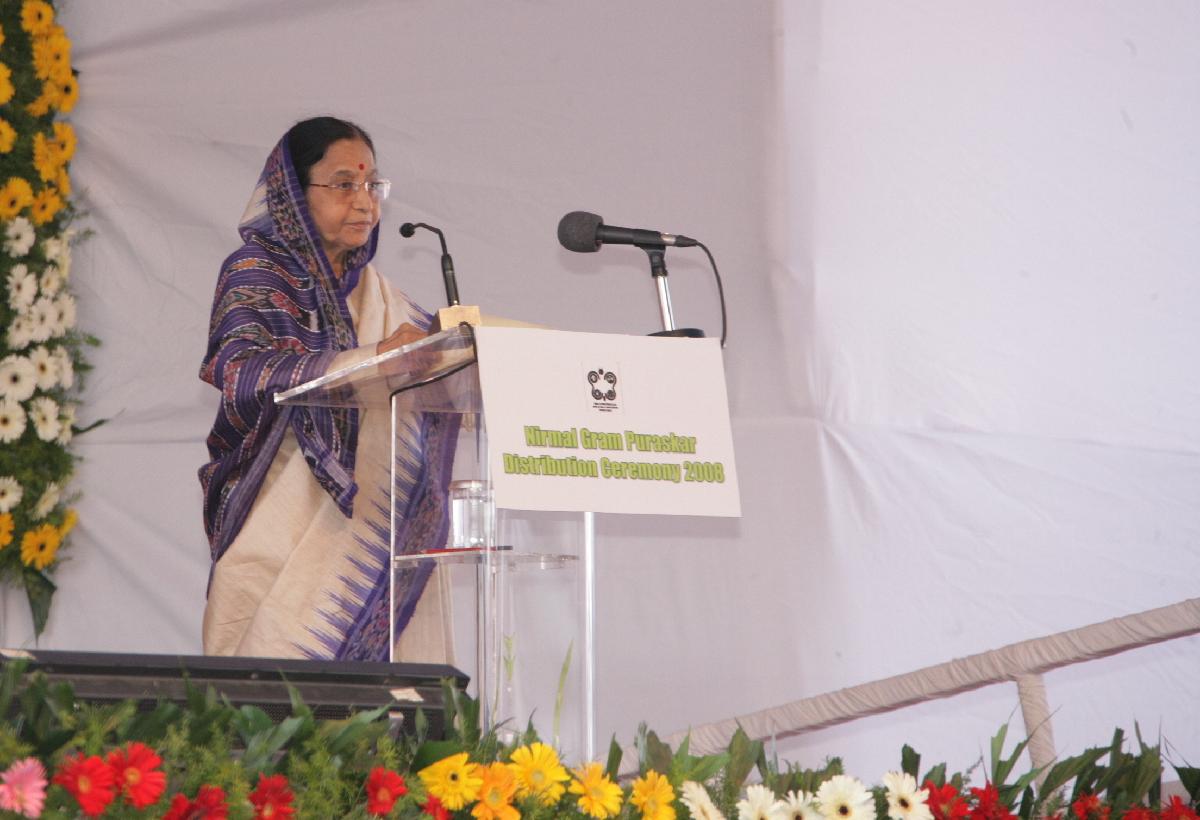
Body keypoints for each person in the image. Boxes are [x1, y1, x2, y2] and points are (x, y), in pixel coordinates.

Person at [198, 116, 457, 662]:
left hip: (369, 527)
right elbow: (239, 369)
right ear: (293, 193)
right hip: (276, 522)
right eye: (344, 184)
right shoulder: (255, 270)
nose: (365, 202)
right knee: (274, 681)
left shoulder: (383, 299)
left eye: (372, 184)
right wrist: (371, 361)